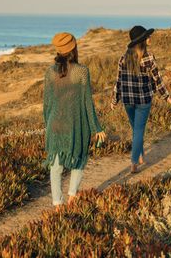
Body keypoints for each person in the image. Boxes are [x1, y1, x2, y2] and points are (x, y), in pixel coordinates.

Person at [43, 32, 106, 209]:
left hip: (54, 125)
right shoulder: (81, 71)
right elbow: (88, 103)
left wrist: (47, 126)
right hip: (76, 126)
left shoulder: (49, 72)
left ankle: (57, 205)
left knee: (55, 167)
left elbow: (46, 105)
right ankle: (72, 197)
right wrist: (96, 127)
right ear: (74, 49)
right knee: (78, 159)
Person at [111, 25, 171, 173]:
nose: (150, 38)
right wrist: (168, 98)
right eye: (147, 37)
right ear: (142, 41)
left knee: (136, 129)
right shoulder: (149, 58)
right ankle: (134, 163)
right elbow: (157, 81)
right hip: (143, 101)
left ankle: (140, 156)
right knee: (139, 130)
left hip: (127, 100)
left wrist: (114, 100)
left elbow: (118, 82)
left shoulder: (123, 59)